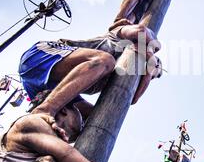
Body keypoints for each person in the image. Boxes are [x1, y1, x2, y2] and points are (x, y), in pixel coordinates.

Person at [18, 19, 163, 124]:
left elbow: (129, 101)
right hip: (41, 56)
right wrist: (150, 50)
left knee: (80, 122)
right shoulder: (115, 40)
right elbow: (141, 31)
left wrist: (149, 70)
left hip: (44, 87)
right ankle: (45, 110)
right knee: (105, 61)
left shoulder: (105, 78)